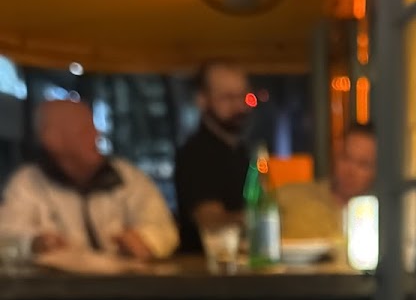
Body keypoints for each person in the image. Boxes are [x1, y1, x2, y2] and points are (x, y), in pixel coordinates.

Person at [0, 100, 178, 259]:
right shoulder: (27, 183)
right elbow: (6, 237)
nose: (96, 135)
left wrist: (145, 241)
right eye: (84, 131)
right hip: (56, 286)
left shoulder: (126, 176)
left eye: (94, 128)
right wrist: (34, 243)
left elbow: (164, 228)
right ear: (52, 140)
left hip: (130, 284)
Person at [174, 61, 251, 253]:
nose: (239, 106)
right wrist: (263, 218)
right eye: (227, 97)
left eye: (243, 96)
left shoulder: (240, 150)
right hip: (206, 267)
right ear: (202, 100)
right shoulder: (195, 154)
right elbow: (209, 221)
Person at [275, 122, 377, 243]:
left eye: (363, 164)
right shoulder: (291, 197)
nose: (350, 171)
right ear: (334, 156)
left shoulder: (379, 216)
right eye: (345, 157)